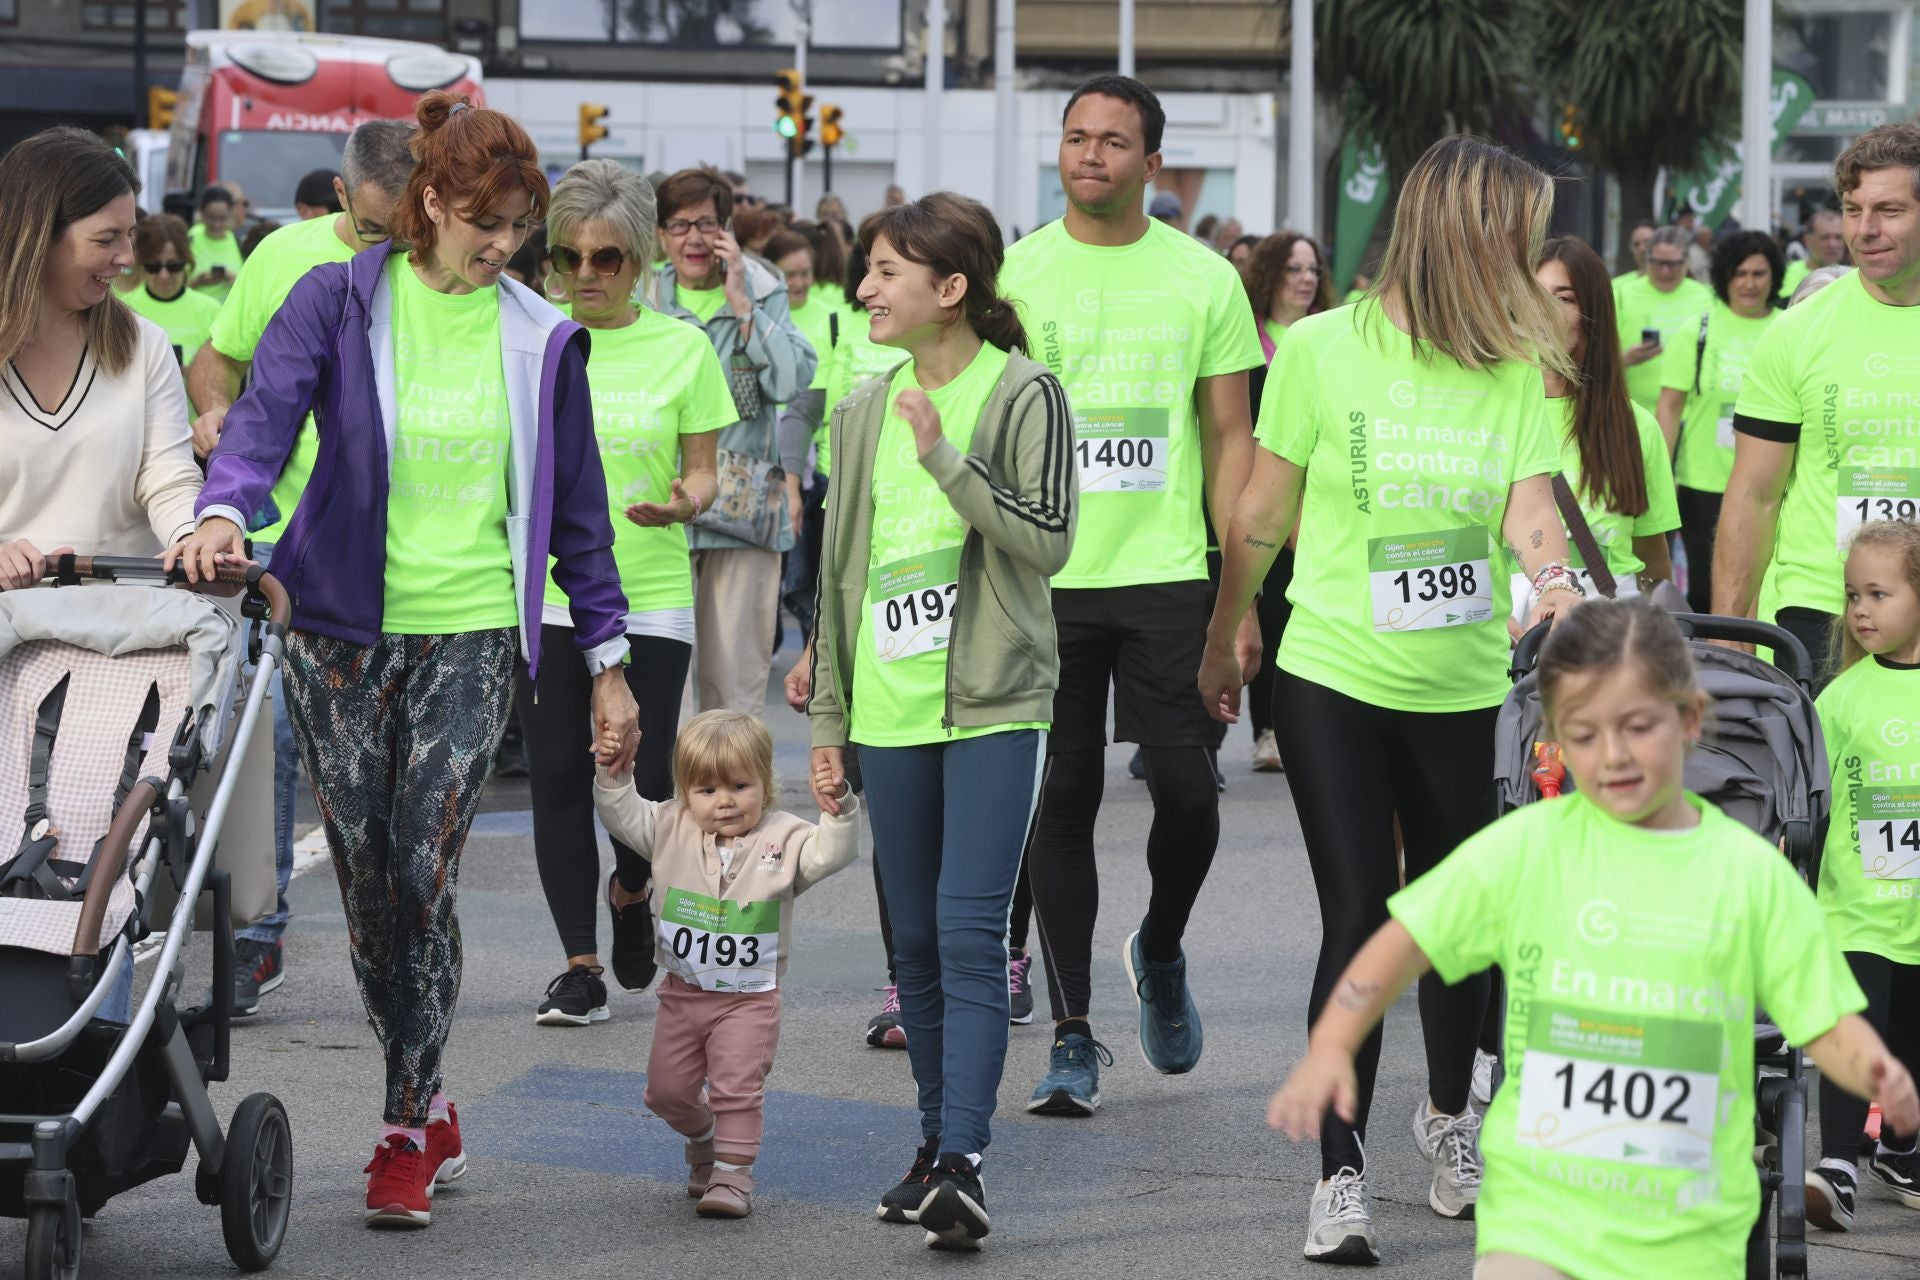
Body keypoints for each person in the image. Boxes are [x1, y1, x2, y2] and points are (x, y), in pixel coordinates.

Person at [169, 91, 640, 1231]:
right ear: (429, 201)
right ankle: (428, 1097)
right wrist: (224, 512)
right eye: (486, 222)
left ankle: (401, 1123)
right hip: (333, 625)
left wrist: (610, 659)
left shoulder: (542, 337)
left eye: (520, 227)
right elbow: (262, 423)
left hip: (470, 632)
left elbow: (579, 513)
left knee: (423, 867)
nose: (504, 246)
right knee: (372, 884)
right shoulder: (336, 299)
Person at [1265, 597, 1917, 1278]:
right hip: (1539, 1219)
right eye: (1584, 734)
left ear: (1690, 720)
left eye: (1638, 726)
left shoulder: (1751, 874)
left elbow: (1822, 1015)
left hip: (1688, 1231)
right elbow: (1404, 942)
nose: (1614, 754)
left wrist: (1875, 1068)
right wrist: (1334, 1042)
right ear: (1555, 742)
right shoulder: (1526, 848)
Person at [1197, 134, 1584, 1258]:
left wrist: (1554, 583)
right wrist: (1228, 631)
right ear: (1467, 235)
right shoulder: (1322, 348)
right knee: (1363, 911)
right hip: (1336, 675)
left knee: (1460, 924)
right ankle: (1341, 1172)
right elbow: (1262, 510)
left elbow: (1530, 509)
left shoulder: (1515, 367)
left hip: (1465, 686)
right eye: (1515, 235)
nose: (1527, 257)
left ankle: (1452, 1121)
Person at [806, 190, 1076, 1252]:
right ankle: (931, 1146)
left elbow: (1048, 543)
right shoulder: (863, 407)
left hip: (995, 701)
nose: (866, 288)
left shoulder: (1022, 392)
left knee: (969, 933)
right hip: (889, 708)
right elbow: (839, 573)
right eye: (868, 270)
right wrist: (830, 718)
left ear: (950, 287)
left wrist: (947, 463)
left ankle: (964, 1156)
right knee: (911, 939)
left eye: (887, 272)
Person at [998, 74, 1261, 1116]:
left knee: (1189, 793)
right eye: (1076, 137)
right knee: (1059, 796)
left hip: (1167, 575)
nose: (1090, 154)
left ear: (1152, 163)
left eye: (1113, 141)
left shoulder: (1205, 279)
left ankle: (1159, 945)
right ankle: (1073, 1035)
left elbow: (1229, 438)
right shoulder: (1015, 273)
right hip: (1045, 576)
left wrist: (1238, 598)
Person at [184, 117, 418, 1014]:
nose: (387, 246)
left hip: (404, 553)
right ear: (340, 197)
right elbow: (219, 360)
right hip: (287, 543)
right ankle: (259, 934)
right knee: (271, 732)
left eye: (404, 229)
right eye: (371, 227)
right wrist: (218, 417)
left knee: (379, 759)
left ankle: (399, 932)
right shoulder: (285, 256)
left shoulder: (449, 277)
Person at [520, 160, 730, 1028]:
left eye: (606, 258)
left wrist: (686, 503)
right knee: (559, 776)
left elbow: (706, 472)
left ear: (640, 260)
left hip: (649, 593)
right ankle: (579, 966)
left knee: (641, 776)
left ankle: (633, 889)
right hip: (547, 597)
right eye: (566, 257)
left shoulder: (683, 347)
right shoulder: (528, 338)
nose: (586, 275)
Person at [592, 709, 859, 1218]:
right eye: (707, 790)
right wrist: (613, 771)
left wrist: (840, 807)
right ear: (685, 792)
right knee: (665, 1093)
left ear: (766, 783)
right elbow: (620, 813)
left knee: (737, 1087)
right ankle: (706, 1137)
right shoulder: (668, 825)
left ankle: (733, 1176)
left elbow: (832, 852)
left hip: (749, 1000)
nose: (725, 801)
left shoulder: (787, 837)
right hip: (681, 994)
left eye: (740, 786)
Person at [1714, 121, 1920, 685]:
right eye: (1853, 210)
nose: (1866, 230)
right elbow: (1754, 493)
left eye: (1889, 211)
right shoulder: (1797, 330)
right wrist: (1730, 635)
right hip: (1822, 610)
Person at [0, 128, 200, 587]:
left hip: (128, 613)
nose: (127, 258)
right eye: (106, 239)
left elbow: (168, 476)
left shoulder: (144, 344)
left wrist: (193, 538)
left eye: (130, 235)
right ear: (36, 236)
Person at [653, 166, 816, 714]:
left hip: (743, 513)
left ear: (726, 229)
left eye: (706, 224)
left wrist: (743, 305)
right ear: (660, 235)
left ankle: (729, 775)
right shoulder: (643, 295)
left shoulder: (762, 286)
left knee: (733, 688)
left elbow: (790, 383)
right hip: (661, 508)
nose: (694, 239)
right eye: (679, 225)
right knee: (661, 688)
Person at [1804, 521, 1920, 1232]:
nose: (1861, 610)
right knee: (1855, 1028)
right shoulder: (1841, 698)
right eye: (1853, 595)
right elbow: (1811, 800)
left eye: (1879, 594)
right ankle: (1839, 1164)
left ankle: (1902, 1150)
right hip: (1857, 908)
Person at [1533, 236, 1678, 601]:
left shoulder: (1637, 426)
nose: (1544, 311)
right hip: (1510, 628)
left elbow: (1652, 561)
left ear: (1592, 312)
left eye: (1564, 298)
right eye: (1533, 295)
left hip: (1607, 624)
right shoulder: (1489, 419)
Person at [1239, 230, 1335, 773]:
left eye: (1313, 269)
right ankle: (1269, 730)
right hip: (1269, 494)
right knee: (1271, 610)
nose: (1305, 279)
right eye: (1294, 269)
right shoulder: (1249, 341)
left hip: (1326, 497)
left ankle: (1314, 727)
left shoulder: (1335, 336)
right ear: (1270, 274)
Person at [1654, 229, 1783, 613]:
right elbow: (1669, 408)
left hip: (1771, 483)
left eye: (1758, 273)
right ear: (1724, 276)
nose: (1749, 283)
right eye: (1739, 273)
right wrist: (1661, 476)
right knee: (1707, 588)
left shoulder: (1788, 328)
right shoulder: (1698, 331)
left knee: (1764, 586)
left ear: (1774, 276)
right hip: (1704, 483)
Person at [768, 228, 832, 638]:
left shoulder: (830, 314)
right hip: (767, 447)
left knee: (803, 549)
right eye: (789, 274)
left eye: (805, 273)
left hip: (811, 447)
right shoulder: (766, 316)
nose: (799, 282)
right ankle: (771, 629)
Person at [1613, 225, 1710, 413]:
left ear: (1686, 260)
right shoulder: (1622, 296)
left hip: (1690, 414)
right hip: (1634, 412)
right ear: (1647, 259)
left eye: (1673, 264)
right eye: (1658, 263)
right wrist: (1625, 359)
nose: (1665, 271)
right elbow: (1595, 359)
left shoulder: (1706, 297)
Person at [122, 214, 222, 381]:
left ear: (187, 260)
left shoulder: (212, 310)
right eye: (153, 267)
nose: (164, 275)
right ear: (140, 262)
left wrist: (198, 374)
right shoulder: (124, 309)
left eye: (174, 266)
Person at [188, 185, 243, 300]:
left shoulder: (238, 242)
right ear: (201, 213)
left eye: (222, 218)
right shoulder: (190, 240)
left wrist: (235, 280)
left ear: (231, 213)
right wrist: (198, 282)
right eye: (211, 217)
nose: (216, 224)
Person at [1781, 208, 1848, 295]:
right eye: (1825, 238)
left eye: (1838, 237)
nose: (1833, 244)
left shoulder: (1856, 275)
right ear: (1807, 240)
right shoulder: (1788, 273)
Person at [1613, 218, 1656, 287]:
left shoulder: (1673, 285)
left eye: (1648, 242)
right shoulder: (1616, 285)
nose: (1642, 249)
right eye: (1636, 244)